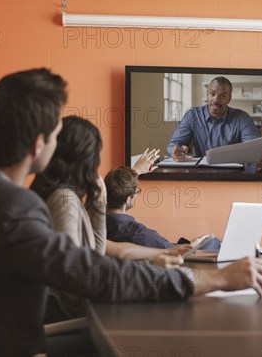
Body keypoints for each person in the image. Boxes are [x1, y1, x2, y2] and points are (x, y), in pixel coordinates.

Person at [0, 68, 262, 357]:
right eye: (56, 134)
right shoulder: (14, 208)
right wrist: (212, 278)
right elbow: (95, 276)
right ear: (39, 144)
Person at [30, 116, 193, 320]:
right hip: (66, 316)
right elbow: (73, 280)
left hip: (74, 308)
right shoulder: (64, 201)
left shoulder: (66, 197)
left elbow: (98, 251)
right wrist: (147, 269)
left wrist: (100, 202)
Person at [105, 166, 221, 250]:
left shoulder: (93, 227)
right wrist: (192, 244)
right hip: (170, 269)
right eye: (136, 192)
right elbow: (173, 251)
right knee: (212, 241)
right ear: (127, 199)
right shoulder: (140, 234)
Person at [167, 76, 262, 165]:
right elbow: (173, 145)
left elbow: (254, 146)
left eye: (223, 96)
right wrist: (175, 151)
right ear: (207, 95)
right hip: (200, 175)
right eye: (212, 94)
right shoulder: (192, 116)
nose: (216, 99)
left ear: (229, 98)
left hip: (233, 175)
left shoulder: (242, 118)